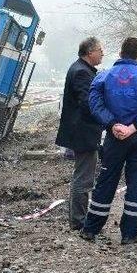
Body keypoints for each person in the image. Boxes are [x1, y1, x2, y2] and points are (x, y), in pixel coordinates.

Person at [80, 37, 137, 244]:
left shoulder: (103, 76)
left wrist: (113, 125)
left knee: (106, 181)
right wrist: (134, 127)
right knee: (136, 185)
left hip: (114, 138)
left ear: (120, 53)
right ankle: (129, 235)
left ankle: (90, 229)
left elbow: (94, 104)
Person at [56, 37, 105, 231]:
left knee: (83, 175)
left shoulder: (81, 69)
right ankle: (78, 220)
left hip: (82, 131)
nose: (102, 53)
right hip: (83, 133)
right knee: (84, 178)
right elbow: (88, 104)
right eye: (100, 50)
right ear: (89, 52)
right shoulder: (82, 73)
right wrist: (106, 117)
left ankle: (78, 217)